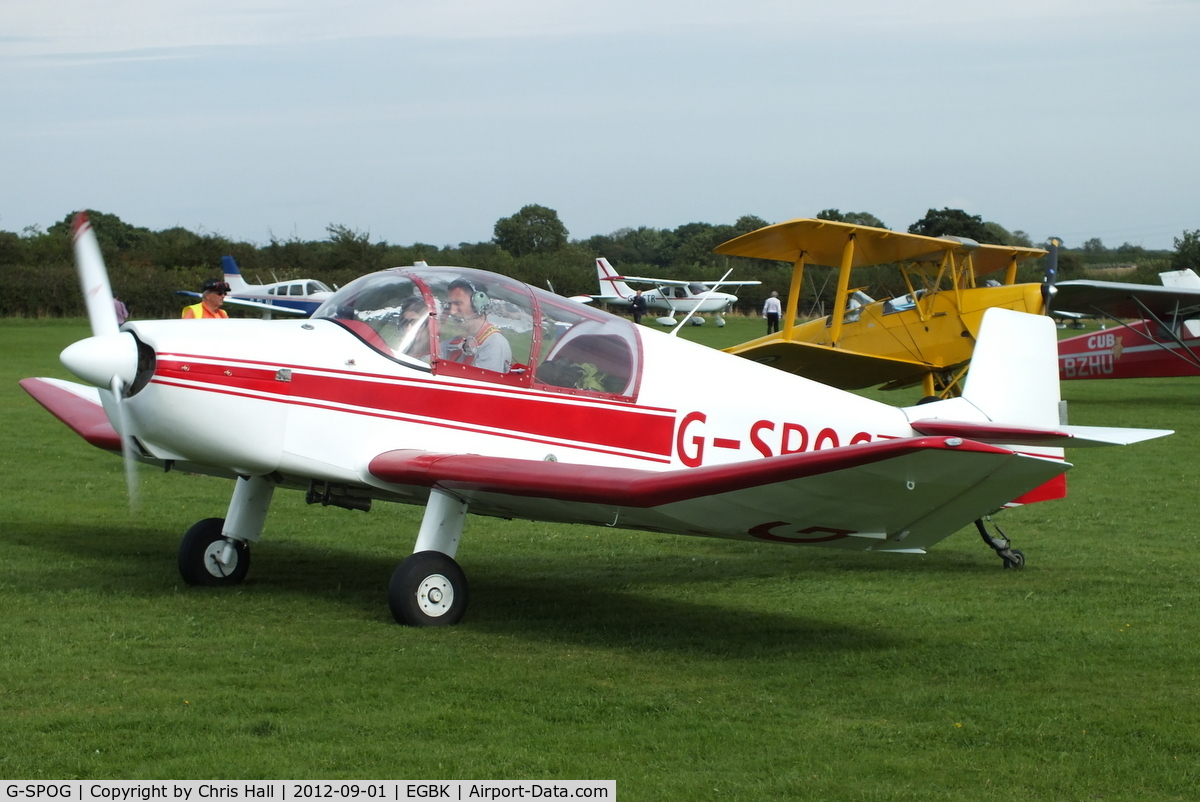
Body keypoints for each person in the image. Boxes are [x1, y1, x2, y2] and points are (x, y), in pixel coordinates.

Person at [440, 278, 512, 373]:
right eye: (450, 305)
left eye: (457, 303)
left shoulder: (494, 344)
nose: (452, 311)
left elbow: (477, 385)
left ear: (478, 304)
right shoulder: (458, 340)